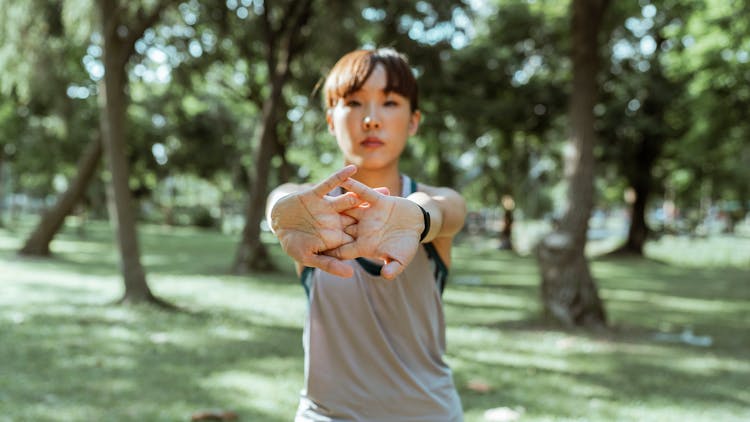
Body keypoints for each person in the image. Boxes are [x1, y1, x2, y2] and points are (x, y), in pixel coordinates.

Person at [266, 48, 466, 422]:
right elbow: (282, 200)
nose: (371, 119)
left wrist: (420, 218)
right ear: (330, 120)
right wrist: (277, 212)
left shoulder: (433, 203)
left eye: (389, 102)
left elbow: (446, 210)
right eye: (354, 102)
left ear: (413, 121)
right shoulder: (309, 214)